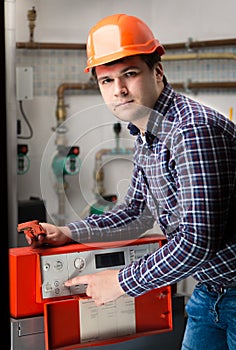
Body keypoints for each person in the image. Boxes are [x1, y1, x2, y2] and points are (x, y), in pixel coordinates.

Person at [27, 14, 236, 350]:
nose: (119, 90)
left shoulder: (190, 131)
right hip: (211, 290)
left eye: (129, 74)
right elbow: (136, 213)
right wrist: (67, 232)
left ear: (157, 71)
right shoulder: (148, 132)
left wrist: (121, 283)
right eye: (106, 81)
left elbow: (197, 241)